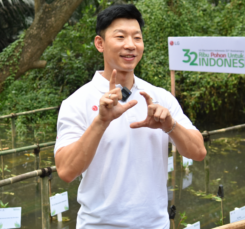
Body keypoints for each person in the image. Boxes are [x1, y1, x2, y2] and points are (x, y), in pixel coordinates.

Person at [54, 4, 206, 229]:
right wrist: (101, 121)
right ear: (100, 44)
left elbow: (198, 152)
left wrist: (170, 125)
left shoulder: (159, 97)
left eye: (137, 37)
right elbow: (66, 171)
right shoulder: (77, 102)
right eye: (120, 37)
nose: (130, 45)